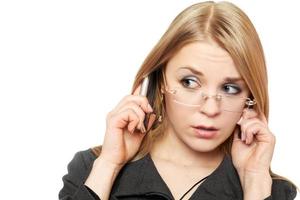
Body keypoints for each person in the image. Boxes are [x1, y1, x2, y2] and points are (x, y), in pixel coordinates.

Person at [59, 1, 298, 199]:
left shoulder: (270, 190)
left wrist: (254, 180)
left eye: (230, 88)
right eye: (190, 82)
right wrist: (108, 166)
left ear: (250, 97)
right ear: (162, 79)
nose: (210, 109)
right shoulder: (92, 168)